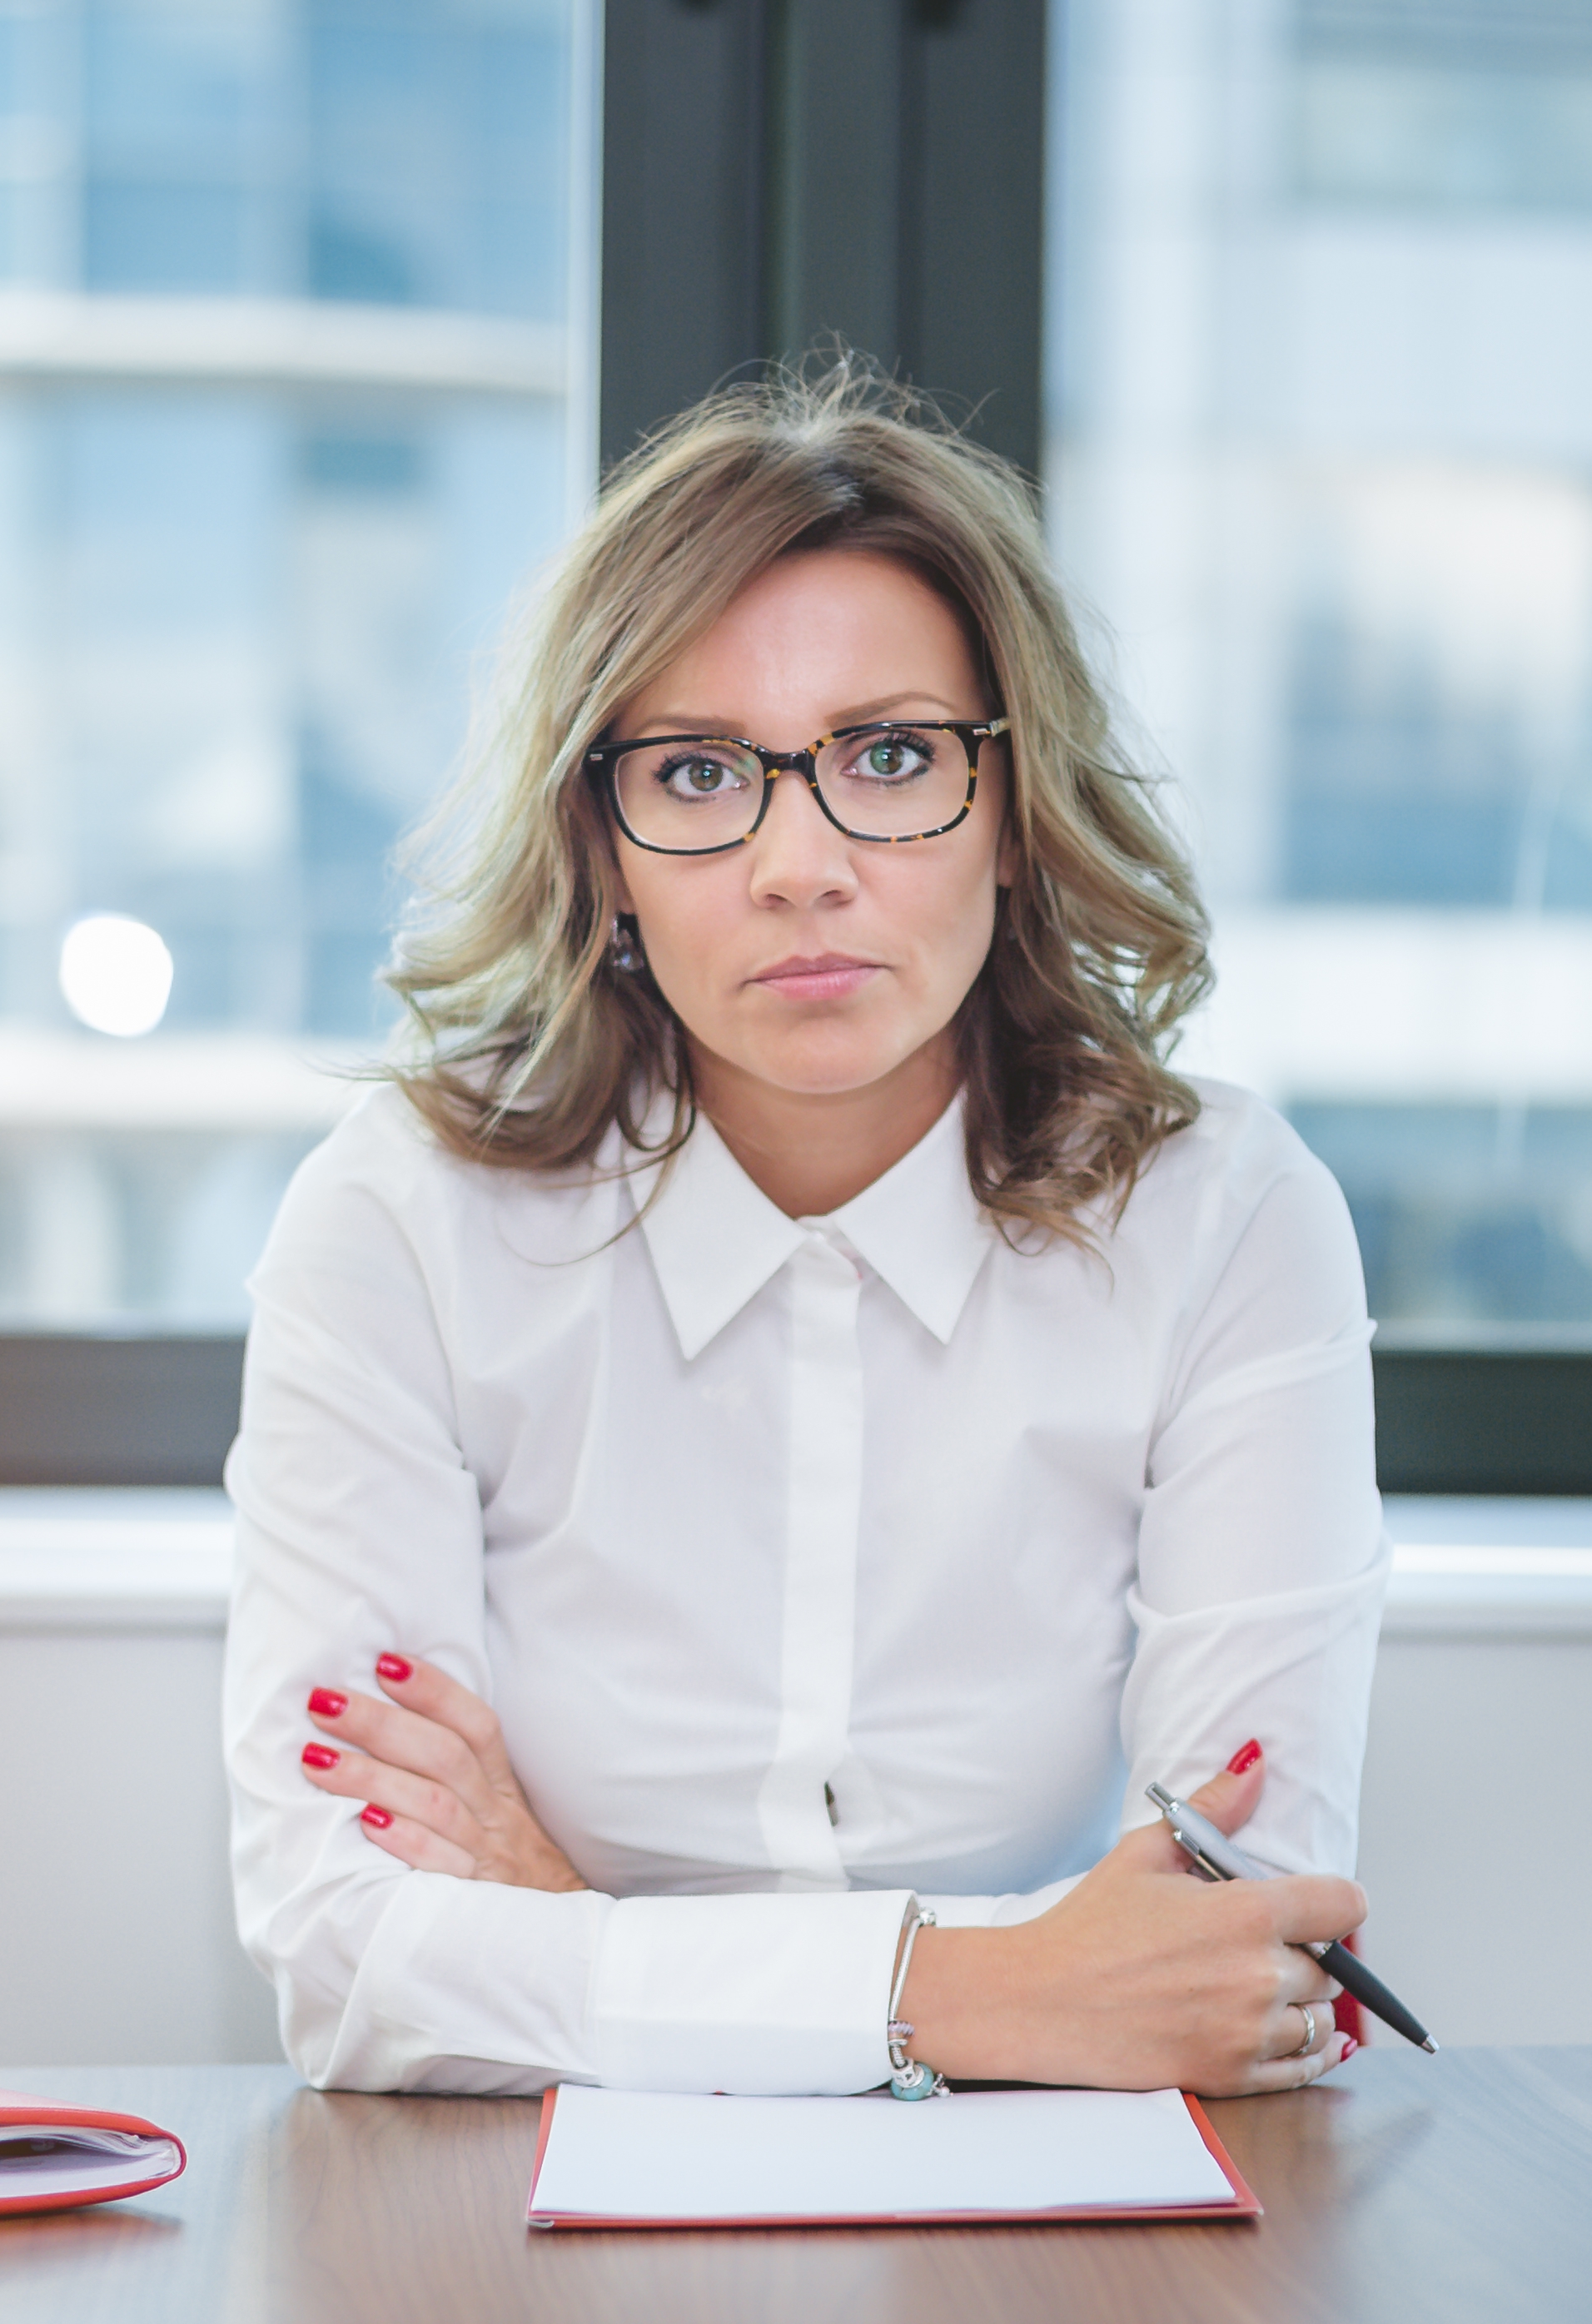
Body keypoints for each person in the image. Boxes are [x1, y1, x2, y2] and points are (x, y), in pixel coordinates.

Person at [221, 362, 1386, 2099]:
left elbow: (1235, 1952)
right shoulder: (399, 1219)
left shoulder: (1226, 1218)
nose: (799, 861)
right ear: (602, 843)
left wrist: (566, 1924)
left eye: (894, 756)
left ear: (1014, 805)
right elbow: (339, 1960)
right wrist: (984, 1991)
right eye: (698, 774)